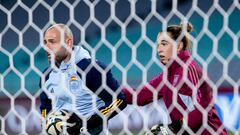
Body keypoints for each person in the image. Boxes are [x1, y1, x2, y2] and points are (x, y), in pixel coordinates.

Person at [122, 22, 228, 135]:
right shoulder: (167, 77)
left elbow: (204, 107)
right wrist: (110, 88)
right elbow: (139, 96)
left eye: (164, 44)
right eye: (158, 45)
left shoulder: (189, 69)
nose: (159, 49)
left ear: (179, 46)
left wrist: (173, 127)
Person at [39, 23, 127, 135]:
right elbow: (45, 106)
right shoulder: (47, 75)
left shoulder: (90, 69)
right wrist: (46, 122)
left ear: (68, 42)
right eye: (45, 42)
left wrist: (84, 123)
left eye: (52, 42)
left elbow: (119, 100)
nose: (46, 47)